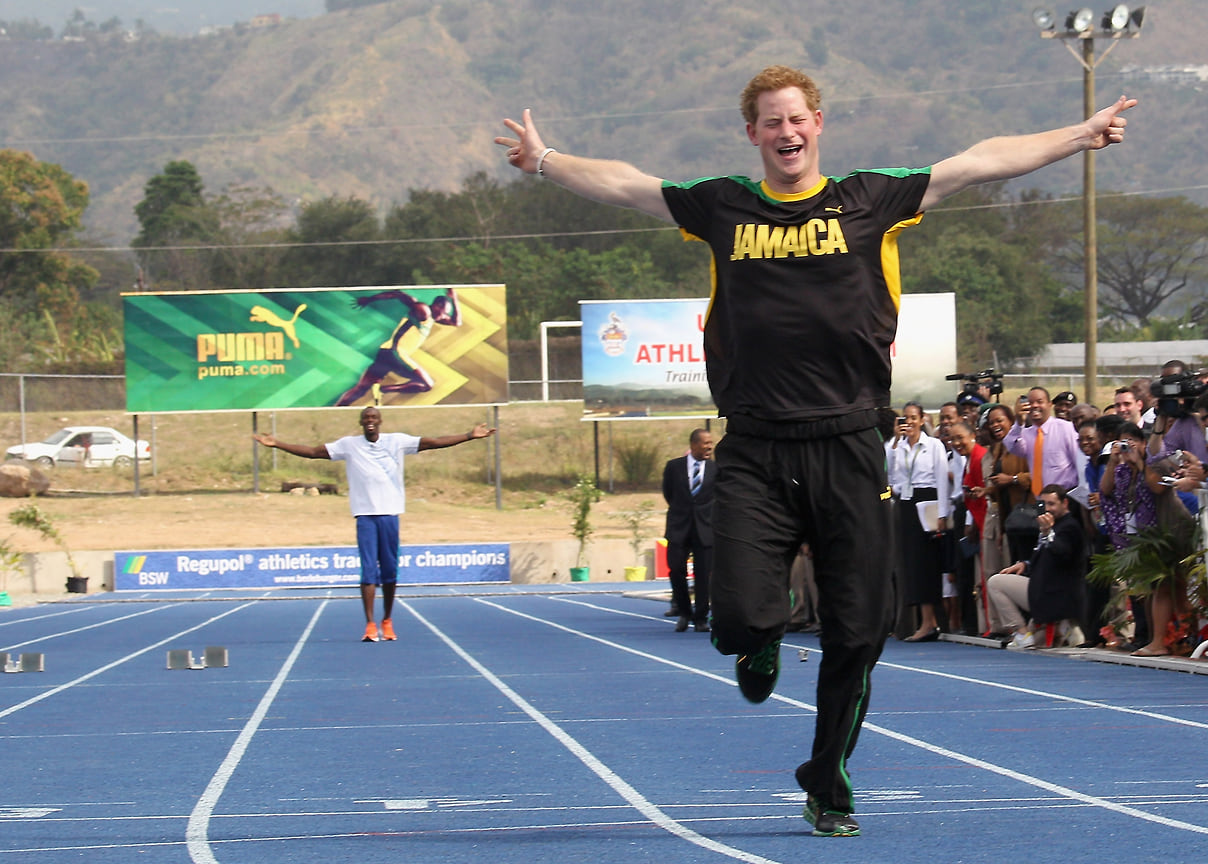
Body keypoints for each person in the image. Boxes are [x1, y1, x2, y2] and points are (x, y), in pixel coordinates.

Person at [496, 64, 1136, 838]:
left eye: (797, 119)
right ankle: (756, 643)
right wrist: (543, 160)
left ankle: (827, 772)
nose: (786, 133)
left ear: (818, 123)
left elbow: (978, 161)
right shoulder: (722, 205)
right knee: (734, 616)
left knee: (859, 631)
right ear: (752, 134)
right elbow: (629, 185)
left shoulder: (872, 198)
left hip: (849, 442)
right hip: (756, 445)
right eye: (771, 122)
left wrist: (1079, 134)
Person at [252, 407, 495, 641]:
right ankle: (370, 624)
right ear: (361, 423)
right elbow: (314, 452)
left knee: (389, 571)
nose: (370, 420)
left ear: (380, 421)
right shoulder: (349, 445)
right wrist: (278, 444)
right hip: (365, 516)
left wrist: (468, 436)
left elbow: (433, 442)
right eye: (366, 417)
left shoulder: (396, 441)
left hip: (390, 515)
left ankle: (387, 620)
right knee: (368, 571)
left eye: (374, 417)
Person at [985, 484, 1087, 648]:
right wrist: (1025, 564)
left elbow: (1063, 554)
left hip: (1055, 593)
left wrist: (1048, 533)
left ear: (1065, 503)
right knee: (997, 580)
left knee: (995, 583)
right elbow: (1045, 556)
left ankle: (1022, 633)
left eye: (1052, 504)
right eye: (1044, 504)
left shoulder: (1070, 526)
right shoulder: (1052, 524)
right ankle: (1055, 627)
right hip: (1043, 588)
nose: (1047, 509)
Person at [888, 401, 950, 642]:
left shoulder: (933, 445)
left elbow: (942, 479)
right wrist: (895, 442)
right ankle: (925, 622)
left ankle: (932, 622)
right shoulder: (899, 447)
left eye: (914, 417)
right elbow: (892, 479)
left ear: (923, 419)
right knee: (912, 564)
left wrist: (942, 513)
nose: (910, 422)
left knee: (928, 563)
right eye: (906, 418)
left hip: (929, 501)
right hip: (906, 503)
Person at [336, 287, 462, 406]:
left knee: (361, 388)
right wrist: (370, 299)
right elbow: (398, 294)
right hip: (395, 353)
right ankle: (382, 389)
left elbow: (457, 322)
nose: (444, 315)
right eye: (443, 311)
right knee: (427, 384)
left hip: (386, 353)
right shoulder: (424, 310)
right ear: (436, 306)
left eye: (446, 313)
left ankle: (338, 407)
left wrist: (454, 298)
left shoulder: (433, 318)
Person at [661, 428, 716, 633]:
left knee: (703, 576)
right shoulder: (674, 467)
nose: (709, 446)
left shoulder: (716, 469)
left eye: (711, 443)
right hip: (679, 528)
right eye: (705, 443)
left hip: (705, 530)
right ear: (693, 445)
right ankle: (684, 612)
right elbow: (669, 493)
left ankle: (701, 617)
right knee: (676, 569)